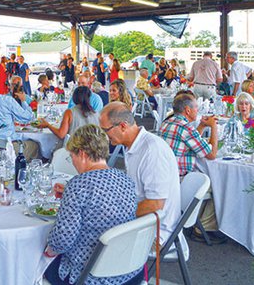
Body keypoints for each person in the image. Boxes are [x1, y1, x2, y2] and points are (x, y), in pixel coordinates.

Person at [43, 125, 141, 285]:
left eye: (71, 157)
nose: (72, 162)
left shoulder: (78, 185)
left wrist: (47, 251)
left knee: (35, 260)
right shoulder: (125, 179)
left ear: (81, 153)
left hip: (90, 275)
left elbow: (62, 241)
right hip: (129, 270)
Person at [99, 102, 181, 246]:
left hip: (156, 231)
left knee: (90, 234)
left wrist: (117, 214)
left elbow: (155, 204)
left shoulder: (152, 151)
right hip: (143, 221)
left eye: (106, 131)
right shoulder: (135, 145)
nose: (104, 136)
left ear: (123, 126)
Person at [159, 93, 223, 242]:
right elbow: (212, 154)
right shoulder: (186, 128)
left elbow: (191, 143)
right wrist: (214, 127)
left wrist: (201, 126)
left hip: (165, 176)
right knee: (218, 185)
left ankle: (197, 220)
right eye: (196, 108)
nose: (197, 111)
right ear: (187, 110)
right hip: (179, 180)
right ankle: (204, 227)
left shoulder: (167, 123)